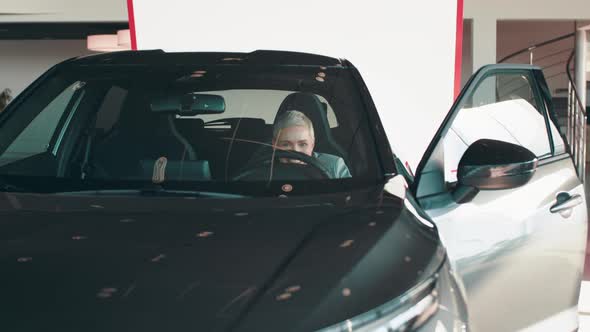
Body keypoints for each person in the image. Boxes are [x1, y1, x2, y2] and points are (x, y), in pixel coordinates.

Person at [272, 110, 351, 179]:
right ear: (274, 145)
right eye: (286, 144)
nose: (294, 157)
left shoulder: (334, 166)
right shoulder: (262, 168)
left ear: (312, 144)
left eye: (302, 144)